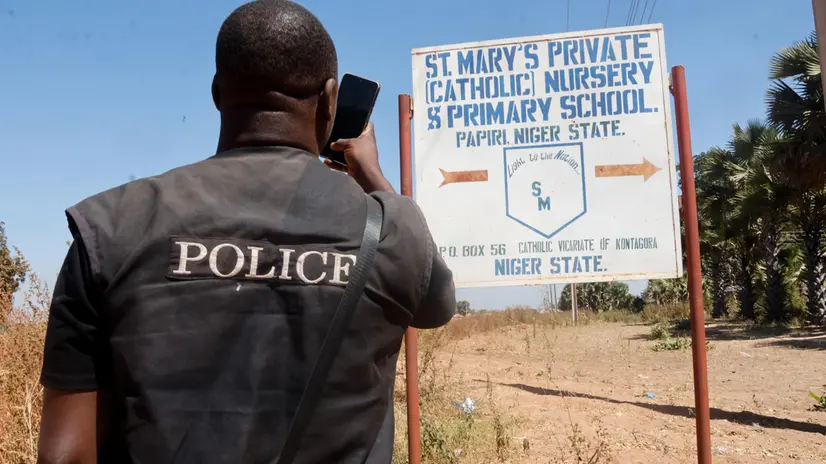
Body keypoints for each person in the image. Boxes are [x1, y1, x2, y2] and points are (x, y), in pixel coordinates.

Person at [36, 1, 456, 463]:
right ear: (330, 100)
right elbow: (436, 305)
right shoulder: (388, 228)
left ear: (217, 92)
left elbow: (66, 454)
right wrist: (372, 175)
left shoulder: (110, 226)